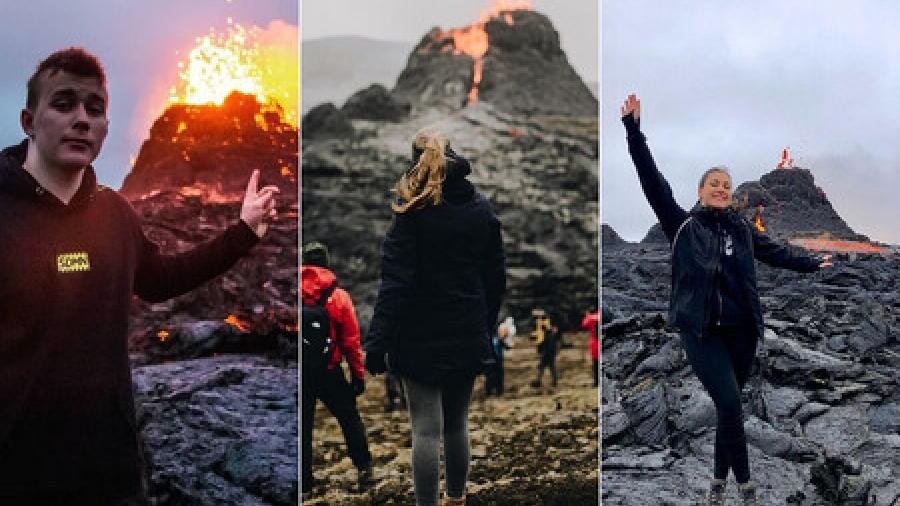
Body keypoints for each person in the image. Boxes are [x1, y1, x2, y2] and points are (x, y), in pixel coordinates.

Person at [0, 47, 279, 505]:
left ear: (107, 127)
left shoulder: (114, 214)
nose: (82, 119)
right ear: (29, 121)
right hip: (17, 474)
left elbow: (162, 280)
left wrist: (244, 232)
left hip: (110, 470)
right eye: (64, 103)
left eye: (96, 108)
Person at [620, 93, 832, 506]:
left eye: (726, 186)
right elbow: (650, 178)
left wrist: (812, 264)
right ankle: (746, 488)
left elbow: (777, 252)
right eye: (714, 184)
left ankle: (716, 485)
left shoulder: (741, 229)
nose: (721, 189)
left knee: (727, 410)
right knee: (732, 402)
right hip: (701, 333)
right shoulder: (681, 225)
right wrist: (634, 131)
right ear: (700, 191)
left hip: (742, 332)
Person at [365, 128, 505, 506]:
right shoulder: (480, 208)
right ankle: (456, 500)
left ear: (416, 161)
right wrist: (485, 324)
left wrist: (376, 343)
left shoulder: (411, 211)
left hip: (417, 336)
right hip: (465, 330)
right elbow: (496, 278)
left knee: (425, 430)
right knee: (457, 423)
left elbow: (394, 283)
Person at [301, 242, 373, 497]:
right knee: (349, 419)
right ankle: (364, 469)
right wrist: (358, 375)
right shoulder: (339, 296)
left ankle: (305, 484)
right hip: (329, 370)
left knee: (302, 427)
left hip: (300, 374)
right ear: (327, 263)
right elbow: (351, 342)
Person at [532, 321, 561, 388]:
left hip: (546, 354)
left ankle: (538, 381)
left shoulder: (545, 335)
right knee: (551, 368)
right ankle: (554, 381)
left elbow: (544, 346)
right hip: (550, 354)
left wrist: (542, 353)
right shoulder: (551, 334)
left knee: (542, 368)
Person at [485, 325, 511, 397]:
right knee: (491, 376)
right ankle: (490, 392)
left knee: (498, 376)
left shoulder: (499, 340)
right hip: (491, 361)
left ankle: (498, 391)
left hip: (497, 361)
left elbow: (508, 347)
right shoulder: (491, 340)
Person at [581, 309, 600, 387]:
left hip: (594, 344)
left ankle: (596, 382)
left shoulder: (590, 318)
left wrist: (587, 315)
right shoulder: (599, 316)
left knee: (595, 364)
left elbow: (584, 324)